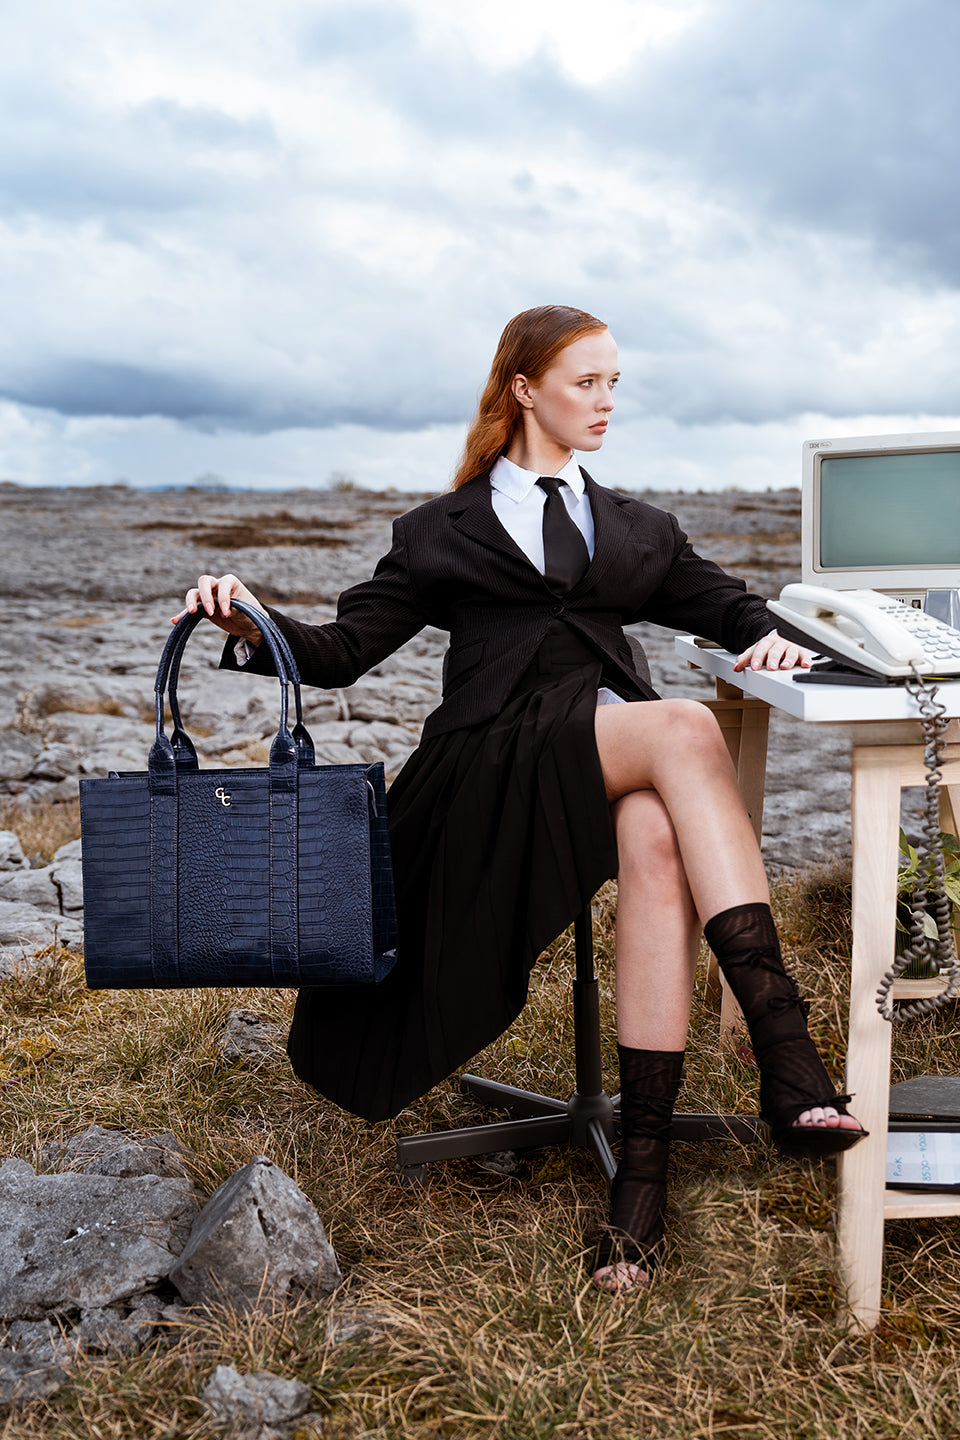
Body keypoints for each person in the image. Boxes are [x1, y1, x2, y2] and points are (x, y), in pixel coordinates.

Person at [176, 304, 864, 1294]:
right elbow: (339, 652)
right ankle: (787, 1056)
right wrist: (249, 616)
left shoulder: (638, 528)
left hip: (599, 764)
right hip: (484, 773)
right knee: (681, 726)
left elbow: (733, 604)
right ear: (523, 388)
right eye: (588, 382)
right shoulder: (438, 532)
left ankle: (642, 1189)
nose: (607, 402)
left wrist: (771, 632)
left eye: (616, 383)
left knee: (658, 836)